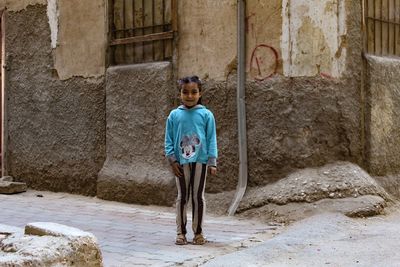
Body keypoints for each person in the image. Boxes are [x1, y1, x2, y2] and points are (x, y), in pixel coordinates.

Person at [164, 75, 218, 245]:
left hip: (200, 161)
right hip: (180, 163)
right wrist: (172, 160)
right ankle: (181, 233)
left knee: (198, 197)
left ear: (200, 93)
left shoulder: (206, 115)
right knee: (182, 197)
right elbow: (169, 140)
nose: (189, 96)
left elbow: (211, 139)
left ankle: (198, 233)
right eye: (185, 92)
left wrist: (212, 161)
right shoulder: (174, 115)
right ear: (180, 94)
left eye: (194, 92)